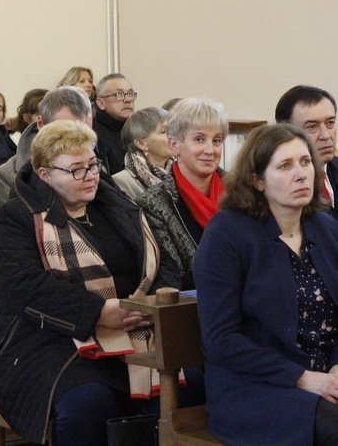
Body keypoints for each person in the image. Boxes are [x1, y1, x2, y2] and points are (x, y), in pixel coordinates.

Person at [0, 120, 193, 445]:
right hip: (48, 337)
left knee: (193, 381)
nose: (91, 175)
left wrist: (150, 304)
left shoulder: (116, 204)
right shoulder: (18, 216)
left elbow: (162, 259)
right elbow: (20, 287)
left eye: (93, 164)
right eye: (76, 169)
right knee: (89, 401)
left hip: (135, 325)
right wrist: (97, 312)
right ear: (44, 175)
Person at [194, 123, 338, 445]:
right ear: (257, 180)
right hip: (254, 389)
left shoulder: (325, 229)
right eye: (285, 166)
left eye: (305, 162)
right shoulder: (227, 234)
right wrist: (303, 379)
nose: (301, 174)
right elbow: (220, 339)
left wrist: (335, 368)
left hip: (325, 378)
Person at [136, 98, 228, 291]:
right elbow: (174, 275)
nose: (210, 150)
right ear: (174, 145)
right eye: (199, 139)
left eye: (217, 140)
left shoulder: (243, 194)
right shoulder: (153, 204)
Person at [0, 87, 92, 216]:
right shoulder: (6, 176)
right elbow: (5, 230)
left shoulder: (94, 168)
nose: (72, 137)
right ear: (41, 123)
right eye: (63, 128)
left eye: (79, 129)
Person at [275, 85, 338, 219]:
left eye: (330, 123)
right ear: (285, 132)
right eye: (312, 127)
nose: (326, 135)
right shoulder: (276, 185)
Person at [113, 107, 174, 200]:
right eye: (164, 131)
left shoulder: (181, 171)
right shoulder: (121, 181)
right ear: (141, 144)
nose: (173, 135)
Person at [93, 73, 137, 175]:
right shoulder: (93, 135)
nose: (128, 100)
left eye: (130, 93)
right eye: (119, 94)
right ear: (101, 103)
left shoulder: (140, 130)